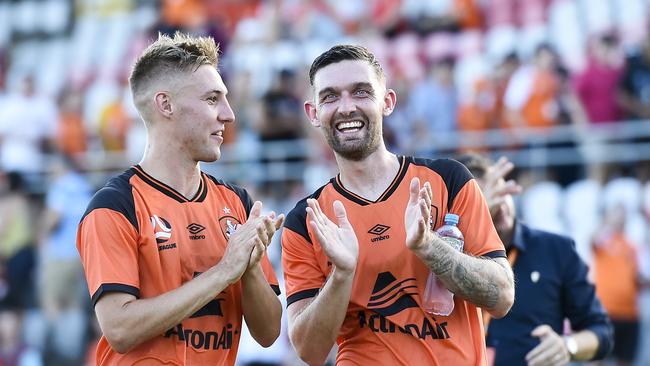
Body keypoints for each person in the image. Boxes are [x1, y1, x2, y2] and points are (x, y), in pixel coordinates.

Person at [281, 45, 515, 365]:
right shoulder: (306, 220)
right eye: (330, 96)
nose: (346, 107)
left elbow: (501, 297)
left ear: (387, 102)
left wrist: (429, 247)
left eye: (361, 92)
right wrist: (342, 274)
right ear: (313, 113)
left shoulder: (448, 179)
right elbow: (309, 350)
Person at [76, 32, 283, 365]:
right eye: (212, 99)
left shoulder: (236, 202)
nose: (229, 115)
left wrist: (251, 267)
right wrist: (223, 272)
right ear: (166, 105)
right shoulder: (115, 206)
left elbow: (269, 332)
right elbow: (119, 329)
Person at [457, 153, 613, 366]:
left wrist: (568, 346)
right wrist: (480, 220)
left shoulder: (556, 249)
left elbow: (601, 332)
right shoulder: (451, 255)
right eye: (484, 196)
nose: (499, 203)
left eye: (503, 191)